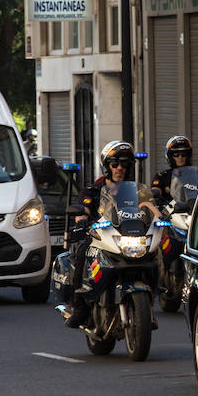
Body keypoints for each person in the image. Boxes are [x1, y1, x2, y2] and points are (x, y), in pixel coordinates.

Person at [63, 140, 159, 328]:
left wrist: (160, 217)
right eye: (115, 164)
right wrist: (82, 220)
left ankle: (149, 302)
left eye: (125, 164)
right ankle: (80, 306)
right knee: (82, 251)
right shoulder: (94, 189)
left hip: (129, 236)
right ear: (107, 166)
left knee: (155, 252)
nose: (119, 168)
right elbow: (83, 209)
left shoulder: (138, 190)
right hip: (101, 237)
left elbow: (150, 207)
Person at [151, 135, 192, 206]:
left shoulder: (197, 175)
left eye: (183, 154)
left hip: (194, 212)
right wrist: (154, 193)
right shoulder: (162, 176)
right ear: (170, 156)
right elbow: (155, 191)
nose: (180, 157)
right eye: (176, 154)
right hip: (169, 214)